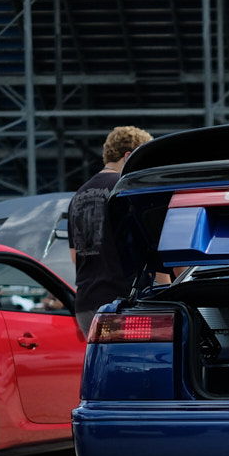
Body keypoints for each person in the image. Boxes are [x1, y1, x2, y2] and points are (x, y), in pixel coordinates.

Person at [67, 126, 153, 336]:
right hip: (122, 303)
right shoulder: (125, 191)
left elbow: (74, 256)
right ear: (129, 156)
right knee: (135, 364)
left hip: (86, 306)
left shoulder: (78, 195)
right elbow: (149, 247)